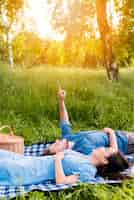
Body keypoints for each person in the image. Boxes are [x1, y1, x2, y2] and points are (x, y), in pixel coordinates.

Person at [44, 89, 134, 156]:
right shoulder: (83, 150)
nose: (56, 141)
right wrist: (111, 133)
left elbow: (64, 120)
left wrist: (61, 101)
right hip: (125, 143)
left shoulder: (68, 138)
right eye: (55, 145)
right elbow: (113, 152)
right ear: (61, 153)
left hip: (121, 134)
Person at [0, 144, 130, 186]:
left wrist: (57, 160)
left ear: (105, 161)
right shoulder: (86, 156)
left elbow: (61, 182)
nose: (103, 147)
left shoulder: (88, 171)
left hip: (28, 171)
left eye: (106, 150)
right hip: (27, 160)